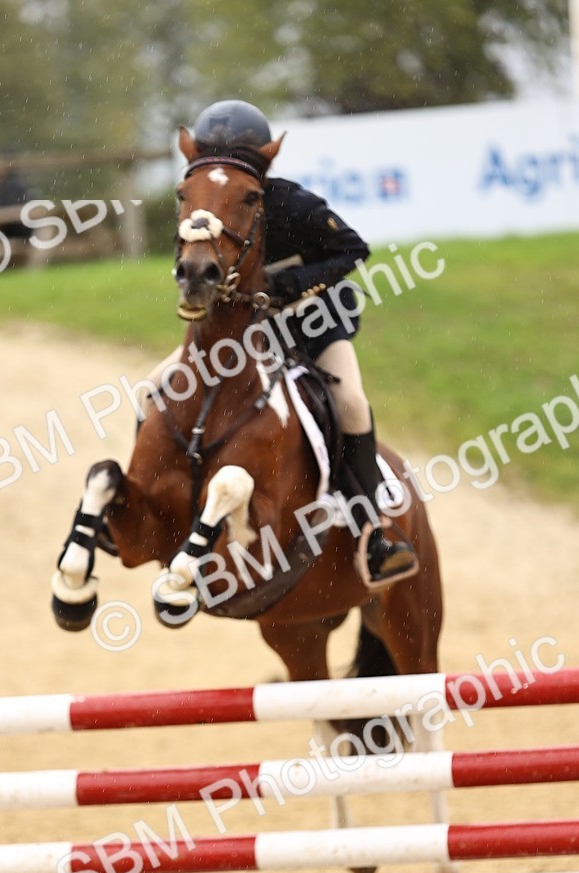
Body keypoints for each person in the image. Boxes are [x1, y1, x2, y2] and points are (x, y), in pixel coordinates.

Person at [149, 99, 416, 585]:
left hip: (314, 326)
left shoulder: (294, 204)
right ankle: (157, 508)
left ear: (262, 169)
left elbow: (355, 249)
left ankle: (372, 531)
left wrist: (286, 286)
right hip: (246, 334)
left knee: (352, 404)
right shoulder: (204, 203)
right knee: (153, 386)